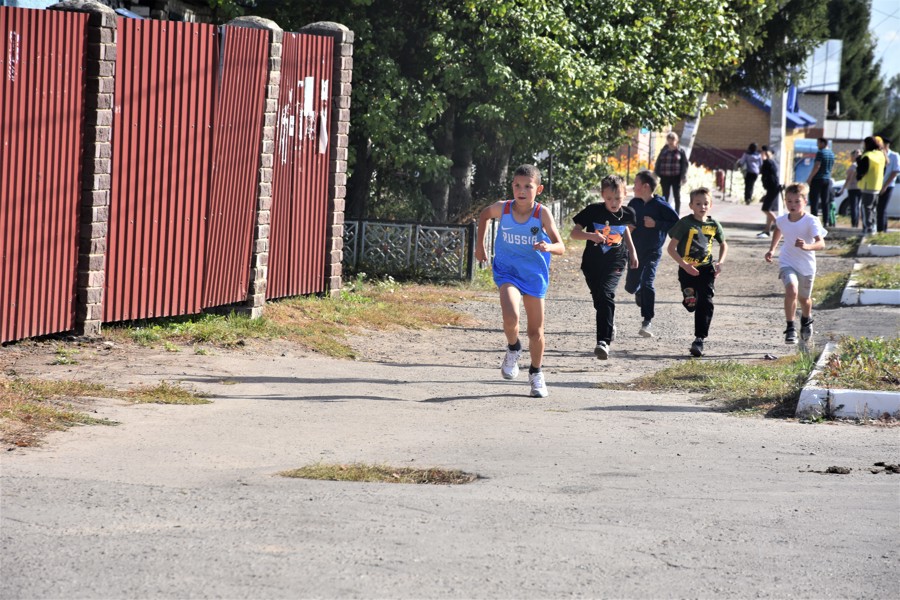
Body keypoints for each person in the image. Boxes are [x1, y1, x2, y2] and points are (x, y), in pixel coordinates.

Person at [475, 164, 565, 398]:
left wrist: (549, 246)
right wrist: (480, 246)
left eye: (528, 186)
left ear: (539, 189)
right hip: (507, 272)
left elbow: (561, 246)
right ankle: (513, 347)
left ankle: (536, 373)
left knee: (535, 332)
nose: (521, 191)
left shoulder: (541, 213)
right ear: (512, 186)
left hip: (534, 276)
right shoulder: (503, 209)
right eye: (517, 185)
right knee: (510, 316)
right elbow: (484, 215)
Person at [571, 174, 637, 360]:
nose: (613, 202)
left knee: (606, 294)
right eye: (609, 198)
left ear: (625, 195)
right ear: (602, 195)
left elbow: (624, 231)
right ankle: (609, 322)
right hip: (592, 263)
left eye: (618, 198)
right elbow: (574, 234)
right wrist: (591, 236)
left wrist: (633, 252)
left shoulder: (628, 214)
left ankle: (603, 341)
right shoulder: (592, 211)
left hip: (615, 260)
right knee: (599, 298)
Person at [666, 187, 728, 357]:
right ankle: (688, 298)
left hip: (706, 269)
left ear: (711, 205)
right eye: (698, 203)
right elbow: (671, 248)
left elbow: (724, 244)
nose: (702, 207)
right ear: (691, 205)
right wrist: (684, 265)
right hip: (687, 269)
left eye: (705, 203)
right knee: (691, 303)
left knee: (706, 301)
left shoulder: (713, 225)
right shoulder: (685, 223)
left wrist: (720, 263)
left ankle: (699, 339)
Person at [764, 183, 827, 345]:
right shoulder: (782, 220)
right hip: (787, 261)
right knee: (791, 290)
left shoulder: (811, 221)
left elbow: (821, 244)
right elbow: (779, 229)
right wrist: (772, 249)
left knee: (804, 299)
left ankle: (806, 319)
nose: (792, 205)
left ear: (805, 202)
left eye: (796, 201)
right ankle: (790, 327)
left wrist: (807, 246)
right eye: (789, 201)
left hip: (806, 266)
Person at [624, 170, 679, 338]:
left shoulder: (661, 205)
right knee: (631, 287)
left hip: (653, 251)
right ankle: (639, 291)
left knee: (648, 282)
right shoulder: (634, 203)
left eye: (636, 184)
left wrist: (657, 224)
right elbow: (626, 222)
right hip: (634, 251)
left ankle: (647, 320)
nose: (633, 187)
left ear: (646, 187)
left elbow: (676, 224)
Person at [856, 136, 886, 236]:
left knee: (866, 208)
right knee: (873, 208)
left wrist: (858, 159)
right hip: (877, 185)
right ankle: (873, 227)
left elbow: (861, 170)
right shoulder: (880, 154)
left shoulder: (868, 156)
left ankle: (867, 229)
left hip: (867, 185)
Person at [654, 131, 689, 214]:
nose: (670, 142)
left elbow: (685, 164)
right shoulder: (664, 150)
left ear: (676, 141)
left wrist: (683, 176)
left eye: (672, 140)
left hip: (676, 176)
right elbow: (659, 161)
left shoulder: (680, 151)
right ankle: (665, 212)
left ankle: (677, 213)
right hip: (665, 176)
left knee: (677, 196)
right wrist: (656, 172)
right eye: (669, 140)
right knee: (665, 195)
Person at [805, 138, 835, 223]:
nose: (817, 145)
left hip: (818, 179)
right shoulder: (831, 153)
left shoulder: (820, 153)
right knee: (825, 201)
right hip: (827, 179)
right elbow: (832, 166)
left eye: (818, 143)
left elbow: (817, 166)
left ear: (823, 143)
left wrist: (810, 178)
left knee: (814, 201)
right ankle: (826, 221)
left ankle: (814, 221)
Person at [757, 145, 781, 238]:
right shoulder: (767, 162)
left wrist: (767, 156)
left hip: (773, 188)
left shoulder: (770, 162)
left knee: (765, 208)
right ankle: (767, 230)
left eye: (764, 152)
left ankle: (781, 227)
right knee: (769, 209)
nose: (762, 154)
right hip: (771, 188)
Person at [877, 135, 899, 233]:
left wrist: (885, 186)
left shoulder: (894, 156)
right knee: (879, 209)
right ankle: (880, 229)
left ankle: (881, 230)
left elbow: (895, 172)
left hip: (888, 185)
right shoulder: (879, 155)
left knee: (882, 208)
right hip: (877, 185)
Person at [838, 149, 862, 229]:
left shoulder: (854, 165)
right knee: (857, 206)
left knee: (854, 206)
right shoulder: (862, 164)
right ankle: (856, 223)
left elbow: (849, 178)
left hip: (853, 188)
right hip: (860, 187)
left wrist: (843, 188)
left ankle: (854, 223)